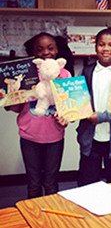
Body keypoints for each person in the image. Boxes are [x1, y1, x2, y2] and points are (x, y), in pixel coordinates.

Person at [4, 34, 71, 198]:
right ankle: (34, 220)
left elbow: (69, 108)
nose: (46, 52)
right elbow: (18, 107)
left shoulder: (66, 74)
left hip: (55, 137)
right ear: (33, 53)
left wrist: (66, 118)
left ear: (57, 50)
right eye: (39, 49)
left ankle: (51, 221)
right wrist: (7, 98)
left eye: (50, 47)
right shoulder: (26, 74)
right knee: (33, 183)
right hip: (29, 137)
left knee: (51, 183)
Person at [76, 28, 111, 186]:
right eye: (101, 44)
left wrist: (101, 117)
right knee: (87, 182)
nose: (106, 48)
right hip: (90, 139)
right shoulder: (86, 72)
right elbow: (79, 103)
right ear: (95, 47)